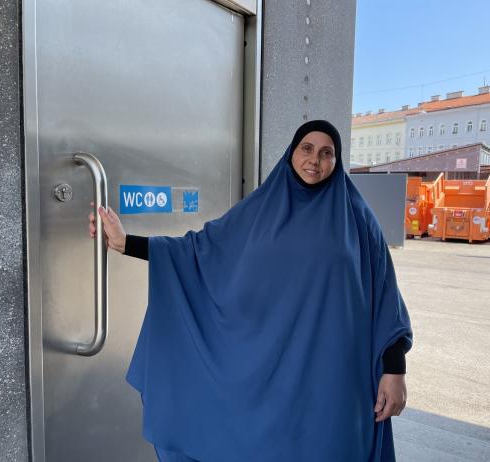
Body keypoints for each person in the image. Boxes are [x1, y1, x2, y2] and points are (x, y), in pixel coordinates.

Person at [89, 120, 413, 462]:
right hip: (270, 367)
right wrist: (127, 243)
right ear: (291, 153)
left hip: (334, 374)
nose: (314, 160)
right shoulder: (260, 209)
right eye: (306, 148)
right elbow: (198, 252)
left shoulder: (358, 219)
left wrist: (395, 371)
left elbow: (385, 296)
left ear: (337, 160)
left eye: (326, 153)